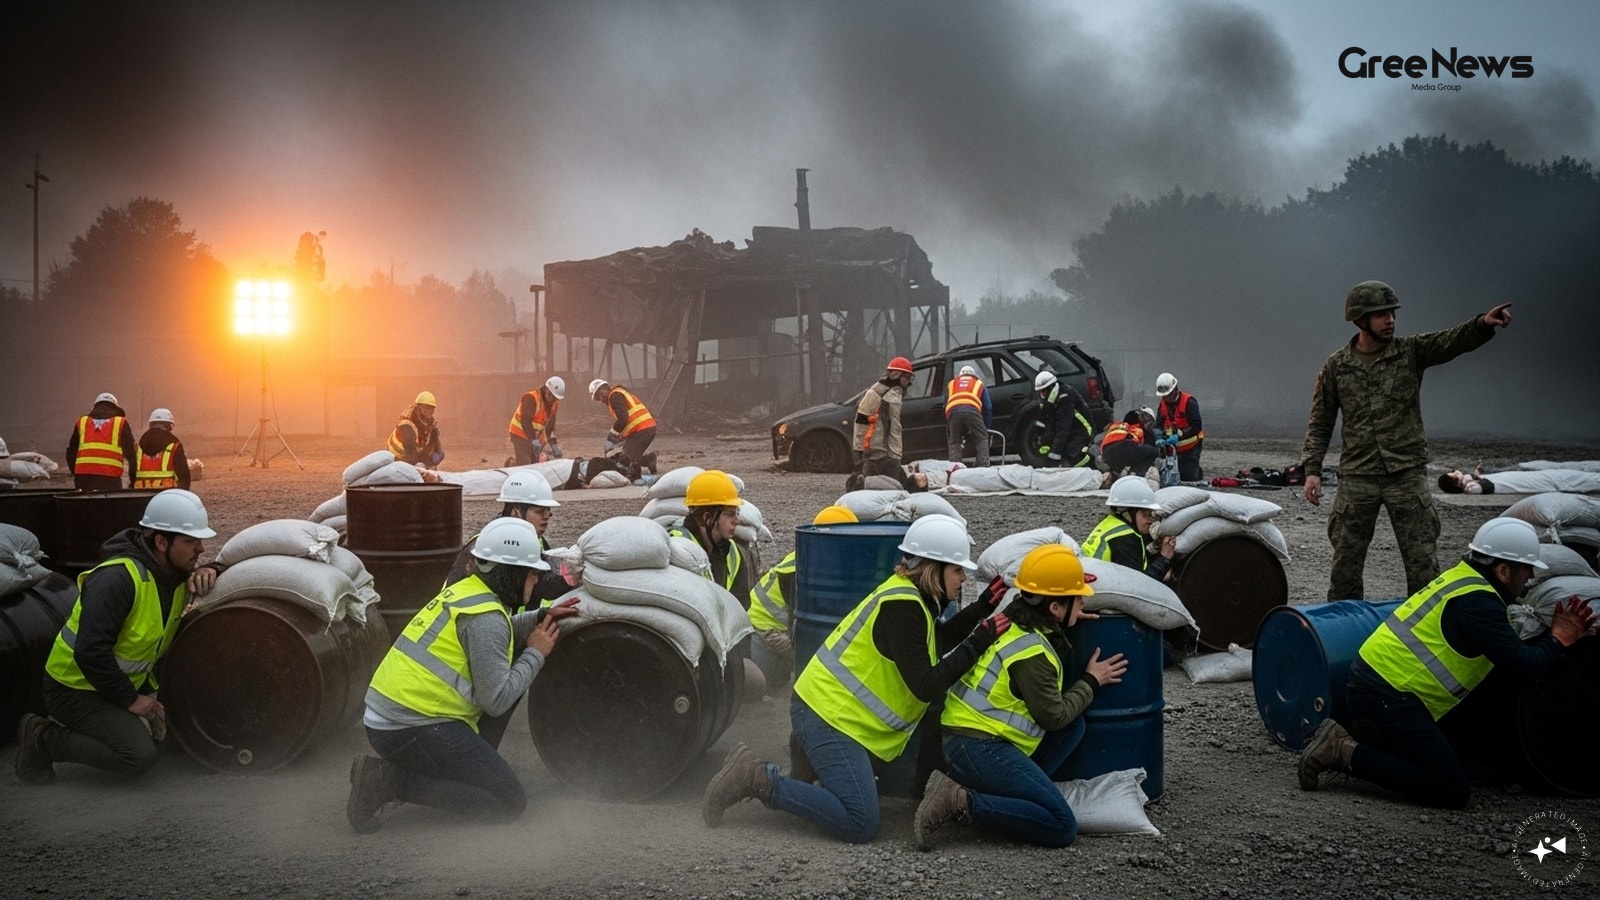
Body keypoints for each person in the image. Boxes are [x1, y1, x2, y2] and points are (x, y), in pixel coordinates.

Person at [700, 514, 1011, 843]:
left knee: (855, 806)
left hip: (833, 713)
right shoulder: (904, 608)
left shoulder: (912, 598)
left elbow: (935, 644)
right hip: (826, 716)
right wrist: (980, 641)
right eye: (957, 569)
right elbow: (926, 685)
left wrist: (980, 609)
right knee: (859, 820)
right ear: (933, 568)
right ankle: (756, 777)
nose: (963, 577)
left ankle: (806, 762)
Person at [1298, 517, 1595, 809]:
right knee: (1450, 789)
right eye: (1525, 568)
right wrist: (1559, 639)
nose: (1529, 576)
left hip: (1382, 688)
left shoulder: (1465, 579)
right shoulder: (1479, 604)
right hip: (1387, 698)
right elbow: (1524, 664)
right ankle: (1342, 750)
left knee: (1460, 753)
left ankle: (1374, 738)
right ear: (1503, 570)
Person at [348, 516, 580, 832]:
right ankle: (389, 781)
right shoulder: (485, 618)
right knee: (507, 802)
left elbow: (492, 640)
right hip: (407, 727)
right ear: (509, 575)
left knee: (506, 673)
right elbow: (496, 700)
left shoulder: (469, 593)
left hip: (395, 716)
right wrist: (536, 653)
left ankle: (462, 766)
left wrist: (539, 616)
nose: (535, 582)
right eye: (530, 575)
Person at [1300, 281, 1514, 600]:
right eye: (1381, 315)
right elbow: (1321, 420)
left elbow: (1449, 341)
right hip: (1359, 476)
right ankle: (1343, 627)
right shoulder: (1336, 367)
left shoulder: (1410, 352)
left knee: (1422, 562)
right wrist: (1312, 469)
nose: (1390, 320)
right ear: (1360, 320)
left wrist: (1482, 324)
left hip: (1406, 474)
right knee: (1345, 563)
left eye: (1392, 314)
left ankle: (1426, 633)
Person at [915, 544, 1128, 850]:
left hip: (970, 738)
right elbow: (1053, 716)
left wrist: (1067, 620)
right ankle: (960, 800)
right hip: (976, 747)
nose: (1083, 602)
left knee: (1074, 726)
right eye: (1076, 598)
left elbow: (1061, 720)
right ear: (1054, 608)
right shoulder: (1032, 653)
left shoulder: (1017, 622)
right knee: (1061, 825)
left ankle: (1015, 801)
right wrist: (1092, 681)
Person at [16, 489, 223, 784]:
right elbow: (90, 651)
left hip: (116, 684)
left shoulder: (174, 575)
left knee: (176, 738)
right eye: (191, 541)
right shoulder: (117, 579)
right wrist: (131, 701)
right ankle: (41, 737)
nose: (200, 549)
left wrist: (213, 569)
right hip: (74, 689)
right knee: (138, 755)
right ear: (162, 542)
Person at [747, 505, 859, 694]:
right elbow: (800, 627)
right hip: (765, 627)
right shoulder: (799, 571)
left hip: (769, 623)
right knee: (805, 658)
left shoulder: (811, 558)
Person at [669, 470, 756, 600]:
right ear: (707, 518)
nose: (737, 521)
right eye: (730, 514)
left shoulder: (733, 552)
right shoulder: (678, 549)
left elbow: (741, 602)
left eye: (736, 513)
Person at [1080, 475, 1176, 582]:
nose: (1151, 519)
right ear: (1127, 512)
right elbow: (1141, 586)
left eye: (1151, 513)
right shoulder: (1125, 539)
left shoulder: (1112, 524)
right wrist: (1164, 558)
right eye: (1145, 513)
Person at [853, 356, 914, 479]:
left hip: (882, 452)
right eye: (907, 377)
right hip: (879, 452)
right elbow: (862, 419)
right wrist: (858, 448)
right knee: (880, 487)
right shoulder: (883, 394)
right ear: (899, 376)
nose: (908, 382)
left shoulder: (887, 392)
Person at [66, 391, 137, 491]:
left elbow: (71, 451)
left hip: (83, 476)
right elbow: (131, 454)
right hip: (109, 477)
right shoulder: (120, 423)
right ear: (115, 408)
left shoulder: (82, 422)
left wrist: (75, 472)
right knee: (109, 505)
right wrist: (133, 480)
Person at [590, 379, 658, 477]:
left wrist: (611, 437)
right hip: (643, 429)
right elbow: (628, 419)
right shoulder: (620, 393)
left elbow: (623, 418)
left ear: (603, 390)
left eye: (598, 397)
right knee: (627, 455)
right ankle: (648, 460)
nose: (601, 400)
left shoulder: (614, 396)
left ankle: (642, 466)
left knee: (623, 462)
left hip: (642, 430)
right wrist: (621, 437)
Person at [1031, 371, 1091, 468]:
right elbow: (1042, 418)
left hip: (1081, 431)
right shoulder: (1048, 398)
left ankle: (1087, 462)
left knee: (1070, 461)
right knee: (1050, 450)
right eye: (1040, 391)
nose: (1042, 394)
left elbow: (1063, 428)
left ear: (1051, 387)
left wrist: (1054, 455)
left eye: (1044, 390)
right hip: (1067, 430)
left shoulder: (1066, 397)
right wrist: (1038, 435)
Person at [1155, 372, 1204, 482]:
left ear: (1175, 390)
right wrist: (1158, 436)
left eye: (1168, 395)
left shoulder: (1189, 402)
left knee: (1189, 478)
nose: (1166, 398)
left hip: (1191, 446)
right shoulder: (1162, 404)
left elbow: (1196, 427)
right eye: (1164, 396)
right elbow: (1158, 424)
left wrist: (1178, 436)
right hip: (1172, 447)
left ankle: (1197, 472)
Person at [508, 376, 566, 466]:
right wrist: (534, 440)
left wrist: (554, 445)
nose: (553, 401)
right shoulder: (531, 398)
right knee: (524, 463)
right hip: (519, 433)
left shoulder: (554, 403)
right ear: (546, 390)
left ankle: (512, 464)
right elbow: (525, 421)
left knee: (534, 464)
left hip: (534, 436)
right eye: (552, 397)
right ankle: (511, 465)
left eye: (556, 398)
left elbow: (550, 428)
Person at [944, 364, 992, 467]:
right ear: (974, 376)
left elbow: (945, 404)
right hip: (972, 410)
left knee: (954, 441)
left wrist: (951, 424)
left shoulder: (952, 383)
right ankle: (982, 466)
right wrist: (986, 427)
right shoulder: (978, 383)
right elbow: (988, 406)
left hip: (952, 411)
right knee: (982, 438)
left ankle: (955, 468)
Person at [132, 408, 192, 490]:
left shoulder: (139, 446)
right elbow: (184, 474)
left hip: (141, 494)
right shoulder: (174, 445)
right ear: (169, 426)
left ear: (150, 425)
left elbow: (132, 472)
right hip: (166, 494)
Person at [388, 391, 444, 468]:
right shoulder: (407, 426)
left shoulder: (430, 427)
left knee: (440, 454)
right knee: (414, 462)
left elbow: (439, 453)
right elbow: (411, 456)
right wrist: (421, 465)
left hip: (415, 455)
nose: (429, 411)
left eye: (431, 408)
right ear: (418, 407)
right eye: (426, 408)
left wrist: (432, 460)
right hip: (399, 458)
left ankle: (425, 467)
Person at [1100, 409, 1158, 478]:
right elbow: (1147, 443)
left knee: (1138, 452)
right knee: (1153, 452)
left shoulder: (1119, 425)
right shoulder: (1138, 428)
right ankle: (1136, 475)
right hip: (1123, 447)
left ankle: (1118, 473)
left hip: (1106, 453)